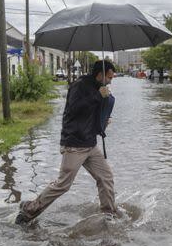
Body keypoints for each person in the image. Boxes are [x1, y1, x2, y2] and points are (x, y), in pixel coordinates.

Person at [16, 60, 117, 224]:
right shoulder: (79, 86)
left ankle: (108, 215)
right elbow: (75, 108)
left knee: (106, 177)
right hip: (75, 144)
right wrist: (98, 96)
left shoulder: (100, 88)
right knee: (63, 184)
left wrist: (104, 115)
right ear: (100, 74)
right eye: (109, 77)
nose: (111, 80)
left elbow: (94, 114)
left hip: (90, 144)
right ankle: (28, 211)